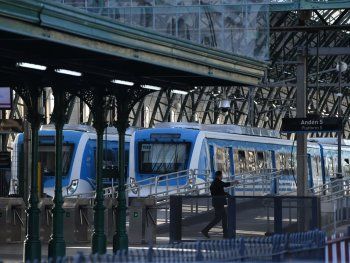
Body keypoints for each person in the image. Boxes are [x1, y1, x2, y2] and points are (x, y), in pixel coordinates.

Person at [201, 171, 237, 239]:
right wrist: (234, 182)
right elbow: (225, 185)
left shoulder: (215, 182)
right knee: (218, 218)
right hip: (218, 203)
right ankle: (205, 230)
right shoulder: (217, 182)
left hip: (217, 202)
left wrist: (226, 194)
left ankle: (225, 234)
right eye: (221, 175)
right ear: (219, 176)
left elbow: (220, 192)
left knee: (223, 217)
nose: (222, 176)